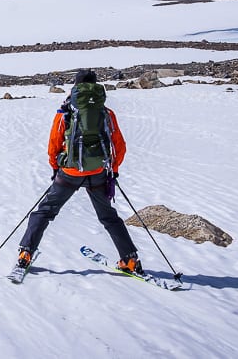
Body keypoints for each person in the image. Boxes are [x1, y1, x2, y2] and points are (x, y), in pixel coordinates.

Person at [15, 69, 142, 274]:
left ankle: (26, 253)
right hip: (99, 172)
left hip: (70, 173)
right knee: (109, 217)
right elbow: (119, 145)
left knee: (45, 212)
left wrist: (56, 168)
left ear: (75, 86)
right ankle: (130, 260)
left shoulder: (65, 112)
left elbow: (53, 145)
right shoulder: (106, 113)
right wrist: (113, 170)